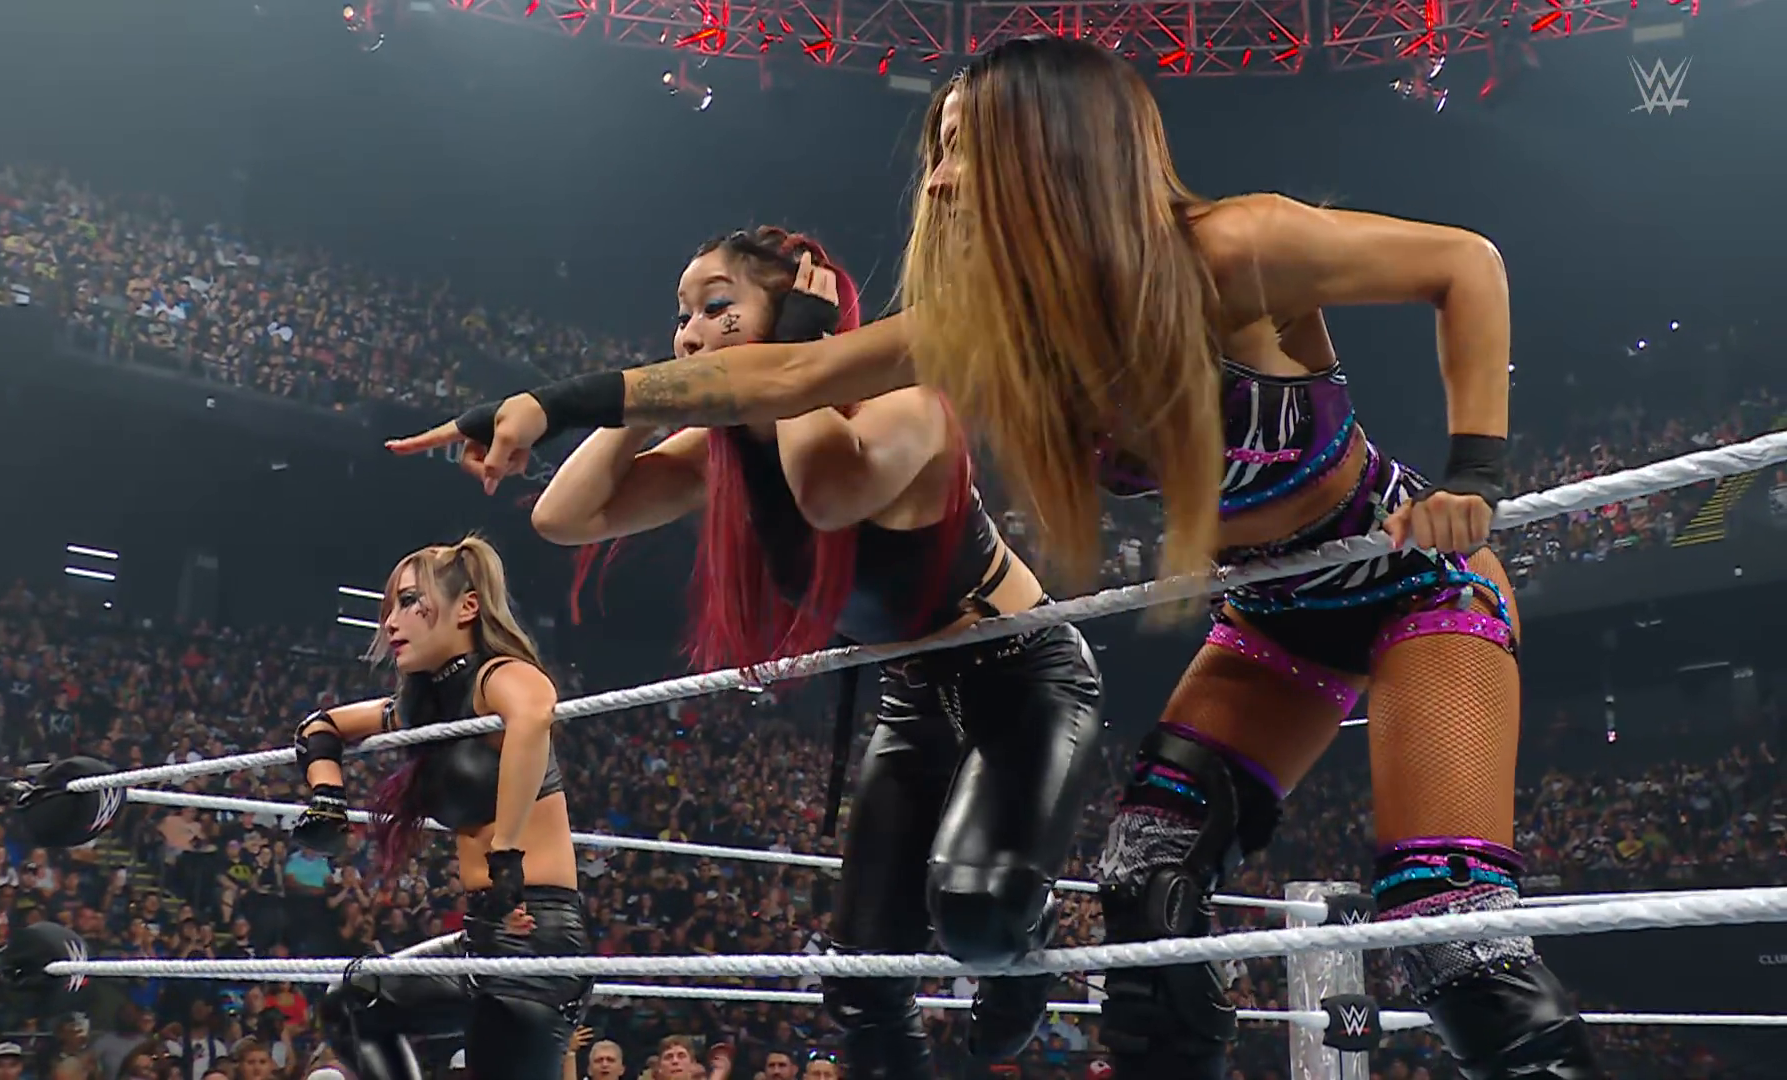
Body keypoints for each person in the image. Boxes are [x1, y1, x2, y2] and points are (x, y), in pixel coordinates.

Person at [389, 38, 1597, 1080]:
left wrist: (1475, 477)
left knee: (1450, 936)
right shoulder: (989, 330)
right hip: (1270, 622)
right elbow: (793, 374)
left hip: (1406, 580)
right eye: (940, 149)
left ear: (1056, 149)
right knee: (1145, 888)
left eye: (969, 146)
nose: (941, 175)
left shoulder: (1233, 248)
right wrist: (548, 404)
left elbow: (1463, 265)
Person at [522, 227, 1105, 1075]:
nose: (688, 334)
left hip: (1023, 677)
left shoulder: (903, 406)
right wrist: (651, 401)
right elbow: (562, 516)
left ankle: (1026, 941)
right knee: (861, 987)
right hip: (914, 696)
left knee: (978, 916)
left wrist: (800, 357)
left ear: (795, 311)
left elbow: (829, 496)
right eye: (681, 317)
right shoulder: (723, 451)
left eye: (716, 308)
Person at [290, 536, 588, 1080]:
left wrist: (506, 859)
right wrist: (328, 797)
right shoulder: (422, 709)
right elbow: (320, 726)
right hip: (480, 937)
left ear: (467, 608)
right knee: (352, 1002)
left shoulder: (496, 677)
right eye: (389, 608)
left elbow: (534, 713)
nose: (390, 622)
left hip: (534, 937)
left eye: (409, 602)